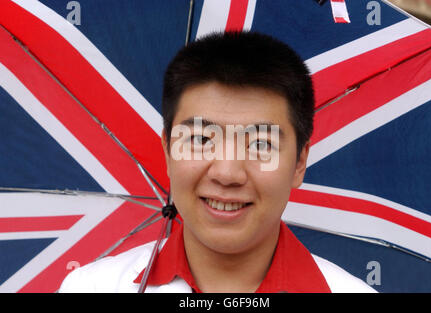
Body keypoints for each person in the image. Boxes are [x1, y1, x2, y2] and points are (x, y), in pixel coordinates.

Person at [59, 31, 376, 293]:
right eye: (200, 140)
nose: (227, 173)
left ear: (299, 163)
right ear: (168, 150)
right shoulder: (90, 287)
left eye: (260, 144)